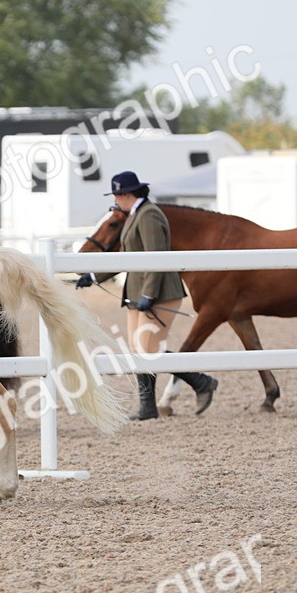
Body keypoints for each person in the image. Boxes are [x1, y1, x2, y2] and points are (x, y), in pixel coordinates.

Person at [75, 171, 217, 420]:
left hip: (159, 292)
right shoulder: (134, 215)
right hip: (137, 292)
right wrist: (94, 276)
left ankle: (202, 381)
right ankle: (149, 407)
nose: (115, 201)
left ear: (127, 194)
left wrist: (150, 295)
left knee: (148, 350)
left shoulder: (149, 215)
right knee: (138, 350)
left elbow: (155, 256)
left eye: (117, 196)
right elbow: (128, 257)